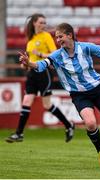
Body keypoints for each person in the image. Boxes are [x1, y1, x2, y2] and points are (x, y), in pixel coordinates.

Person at [18, 22, 100, 169]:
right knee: (90, 123)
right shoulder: (57, 55)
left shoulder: (86, 47)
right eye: (56, 38)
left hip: (98, 90)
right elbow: (42, 64)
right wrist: (29, 63)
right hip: (79, 95)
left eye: (60, 36)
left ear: (70, 35)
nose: (58, 40)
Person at [5, 14, 75, 144]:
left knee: (47, 105)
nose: (44, 25)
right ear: (34, 23)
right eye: (41, 22)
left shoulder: (46, 36)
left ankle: (68, 125)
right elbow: (30, 59)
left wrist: (40, 54)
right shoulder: (31, 39)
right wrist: (25, 63)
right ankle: (19, 133)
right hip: (32, 73)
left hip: (44, 72)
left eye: (45, 22)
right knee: (26, 101)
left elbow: (56, 54)